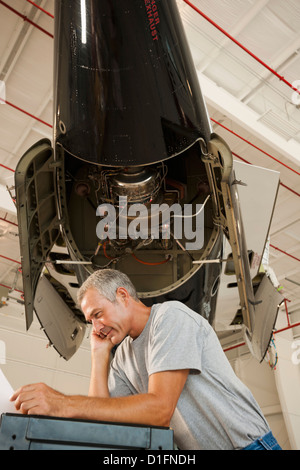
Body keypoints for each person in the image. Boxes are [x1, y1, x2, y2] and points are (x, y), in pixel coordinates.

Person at [10, 269, 281, 450]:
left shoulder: (170, 318)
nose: (96, 327)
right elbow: (101, 421)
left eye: (97, 314)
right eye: (90, 321)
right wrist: (99, 355)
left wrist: (62, 404)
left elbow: (159, 411)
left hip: (249, 446)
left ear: (122, 296)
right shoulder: (122, 357)